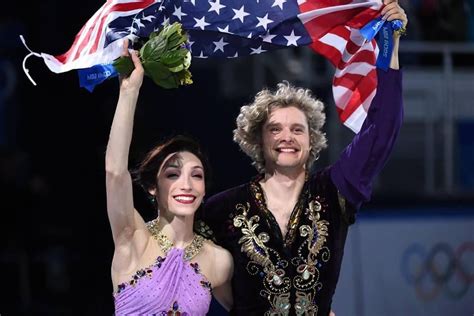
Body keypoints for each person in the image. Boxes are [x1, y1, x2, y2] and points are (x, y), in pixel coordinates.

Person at [196, 0, 408, 315]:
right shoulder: (220, 209)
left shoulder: (336, 190)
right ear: (258, 139)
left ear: (312, 141)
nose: (287, 138)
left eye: (298, 129)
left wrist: (392, 42)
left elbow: (383, 128)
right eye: (275, 129)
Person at [105, 40, 233, 315]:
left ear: (203, 190)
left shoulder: (219, 261)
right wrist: (129, 92)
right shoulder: (132, 238)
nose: (186, 184)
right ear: (153, 187)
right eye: (173, 174)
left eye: (196, 176)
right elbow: (115, 172)